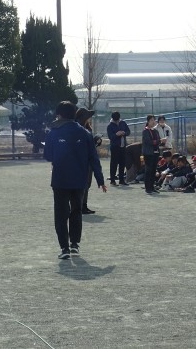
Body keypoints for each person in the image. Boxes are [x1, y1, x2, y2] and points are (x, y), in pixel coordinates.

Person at [44, 101, 107, 260]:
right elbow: (93, 158)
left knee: (61, 213)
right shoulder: (85, 133)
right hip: (79, 179)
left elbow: (47, 155)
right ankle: (75, 245)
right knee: (76, 211)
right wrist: (100, 179)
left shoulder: (54, 132)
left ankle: (64, 248)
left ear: (59, 115)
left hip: (60, 179)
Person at [75, 107, 102, 214]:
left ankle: (83, 205)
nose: (90, 119)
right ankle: (79, 205)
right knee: (82, 184)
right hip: (81, 161)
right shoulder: (78, 129)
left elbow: (89, 146)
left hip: (88, 160)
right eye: (88, 117)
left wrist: (96, 142)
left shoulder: (87, 128)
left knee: (87, 184)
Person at [142, 114, 165, 194]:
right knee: (148, 170)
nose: (153, 122)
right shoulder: (145, 131)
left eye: (154, 120)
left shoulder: (155, 131)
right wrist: (160, 141)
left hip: (155, 153)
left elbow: (157, 141)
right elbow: (149, 142)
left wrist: (162, 142)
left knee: (153, 171)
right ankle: (147, 188)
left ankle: (152, 187)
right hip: (148, 153)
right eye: (151, 120)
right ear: (148, 121)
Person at [107, 111, 131, 185]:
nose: (117, 121)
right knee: (114, 164)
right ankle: (112, 180)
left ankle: (121, 180)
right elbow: (110, 137)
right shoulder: (110, 126)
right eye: (115, 120)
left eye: (117, 120)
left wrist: (124, 133)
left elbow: (128, 131)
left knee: (122, 163)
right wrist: (116, 134)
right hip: (115, 147)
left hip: (123, 146)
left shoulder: (123, 123)